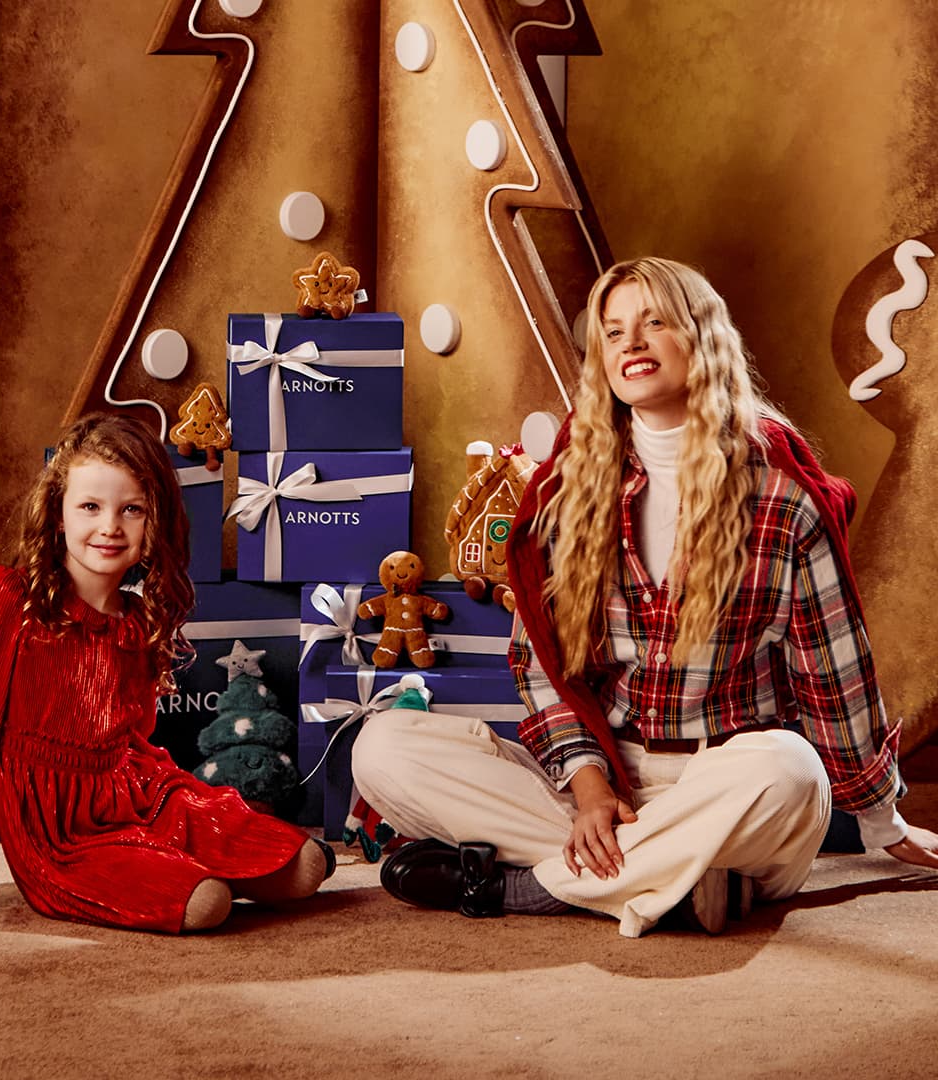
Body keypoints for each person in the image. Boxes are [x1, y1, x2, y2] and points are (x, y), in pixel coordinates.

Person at [352, 256, 938, 937]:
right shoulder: (569, 492)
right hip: (608, 776)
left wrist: (880, 820)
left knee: (791, 770)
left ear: (703, 338)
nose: (630, 342)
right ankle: (681, 883)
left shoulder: (782, 499)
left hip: (728, 782)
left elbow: (834, 682)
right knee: (384, 745)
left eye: (654, 322)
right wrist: (589, 786)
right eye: (613, 331)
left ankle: (524, 888)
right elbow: (542, 666)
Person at [0, 413, 332, 933]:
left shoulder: (138, 621)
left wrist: (183, 813)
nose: (110, 527)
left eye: (131, 509)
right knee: (208, 905)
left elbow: (134, 739)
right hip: (58, 826)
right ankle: (186, 876)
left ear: (153, 521)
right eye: (90, 506)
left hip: (137, 792)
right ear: (60, 515)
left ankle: (190, 862)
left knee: (305, 867)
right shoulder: (11, 599)